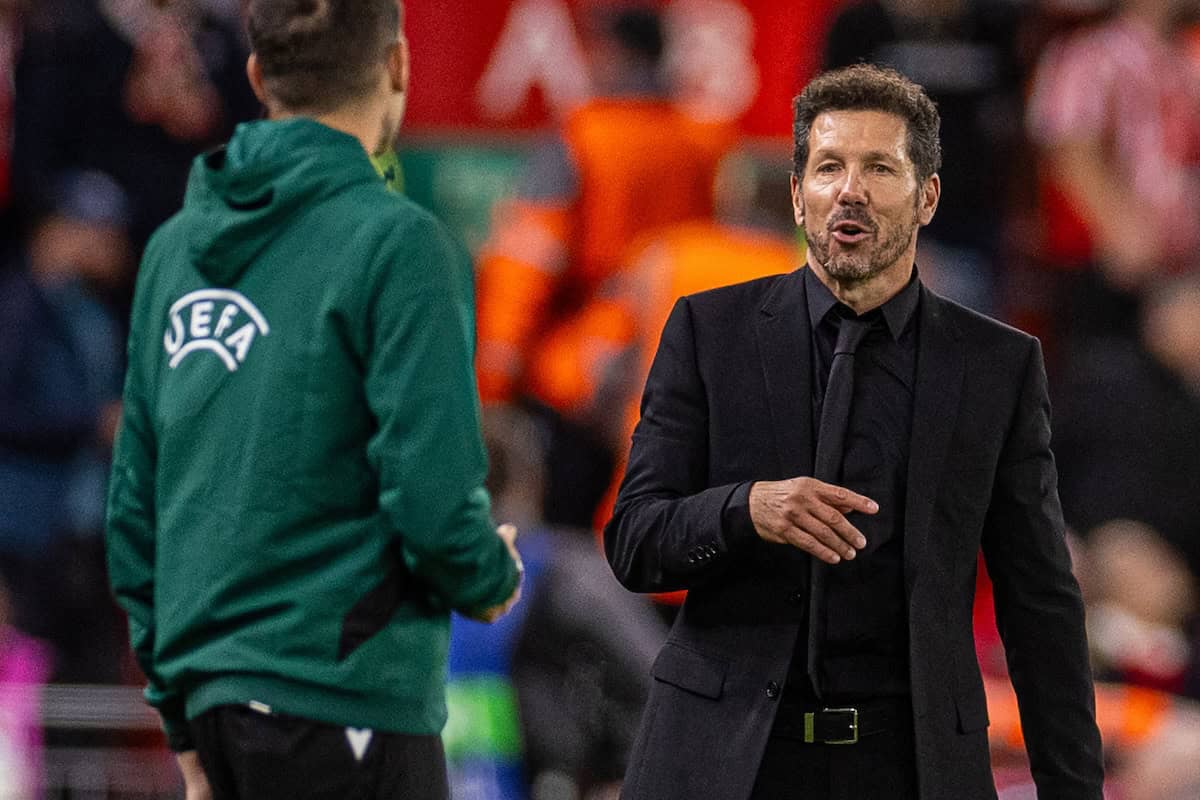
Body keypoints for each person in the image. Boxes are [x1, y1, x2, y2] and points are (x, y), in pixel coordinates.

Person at [604, 64, 1103, 799]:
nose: (851, 189)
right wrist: (747, 509)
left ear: (927, 197)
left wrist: (1073, 790)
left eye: (880, 168)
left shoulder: (999, 366)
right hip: (724, 764)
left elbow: (1041, 605)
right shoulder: (708, 332)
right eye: (829, 166)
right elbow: (635, 541)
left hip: (910, 768)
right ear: (800, 197)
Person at [104, 2, 522, 799]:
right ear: (397, 65)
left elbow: (133, 510)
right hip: (343, 696)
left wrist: (183, 720)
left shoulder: (170, 252)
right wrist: (487, 574)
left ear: (258, 76)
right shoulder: (401, 243)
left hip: (215, 706)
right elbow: (432, 499)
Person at [474, 4, 733, 528]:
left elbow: (523, 268)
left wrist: (493, 386)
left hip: (577, 380)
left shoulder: (579, 137)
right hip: (665, 367)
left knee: (557, 542)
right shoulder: (702, 141)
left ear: (613, 54)